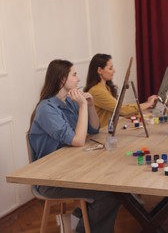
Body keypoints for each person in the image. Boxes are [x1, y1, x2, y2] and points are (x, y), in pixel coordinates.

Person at [28, 59, 120, 233]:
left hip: (72, 169)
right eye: (75, 75)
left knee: (114, 184)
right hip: (51, 178)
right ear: (62, 80)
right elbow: (78, 141)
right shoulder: (46, 109)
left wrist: (90, 105)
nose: (78, 80)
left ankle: (76, 220)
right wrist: (83, 105)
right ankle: (80, 227)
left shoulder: (69, 101)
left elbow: (93, 129)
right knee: (110, 194)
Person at [84, 53, 158, 127]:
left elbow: (120, 107)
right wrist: (147, 104)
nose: (114, 71)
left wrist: (146, 104)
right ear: (100, 70)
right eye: (110, 68)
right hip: (100, 134)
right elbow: (121, 110)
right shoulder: (97, 91)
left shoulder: (106, 87)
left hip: (108, 130)